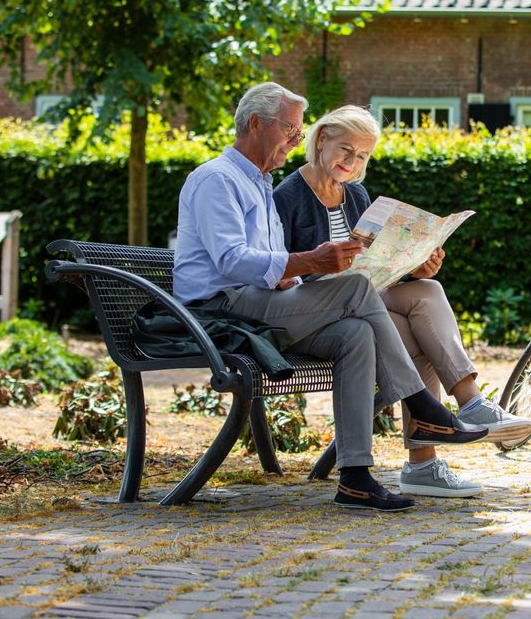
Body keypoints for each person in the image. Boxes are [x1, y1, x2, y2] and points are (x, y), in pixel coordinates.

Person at [173, 82, 489, 513]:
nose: (293, 140)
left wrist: (294, 273)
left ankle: (355, 479)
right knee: (357, 287)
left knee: (355, 334)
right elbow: (230, 261)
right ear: (254, 123)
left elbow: (270, 263)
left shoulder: (259, 184)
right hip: (222, 312)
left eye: (297, 132)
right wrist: (308, 262)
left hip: (261, 306)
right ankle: (423, 405)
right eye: (289, 129)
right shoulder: (216, 179)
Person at [274, 105, 531, 499]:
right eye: (345, 149)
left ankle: (470, 403)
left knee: (429, 291)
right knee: (413, 337)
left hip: (367, 295)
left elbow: (377, 263)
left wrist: (418, 266)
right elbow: (281, 270)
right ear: (321, 139)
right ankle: (423, 465)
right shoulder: (288, 195)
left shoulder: (356, 194)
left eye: (362, 155)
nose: (352, 162)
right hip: (320, 308)